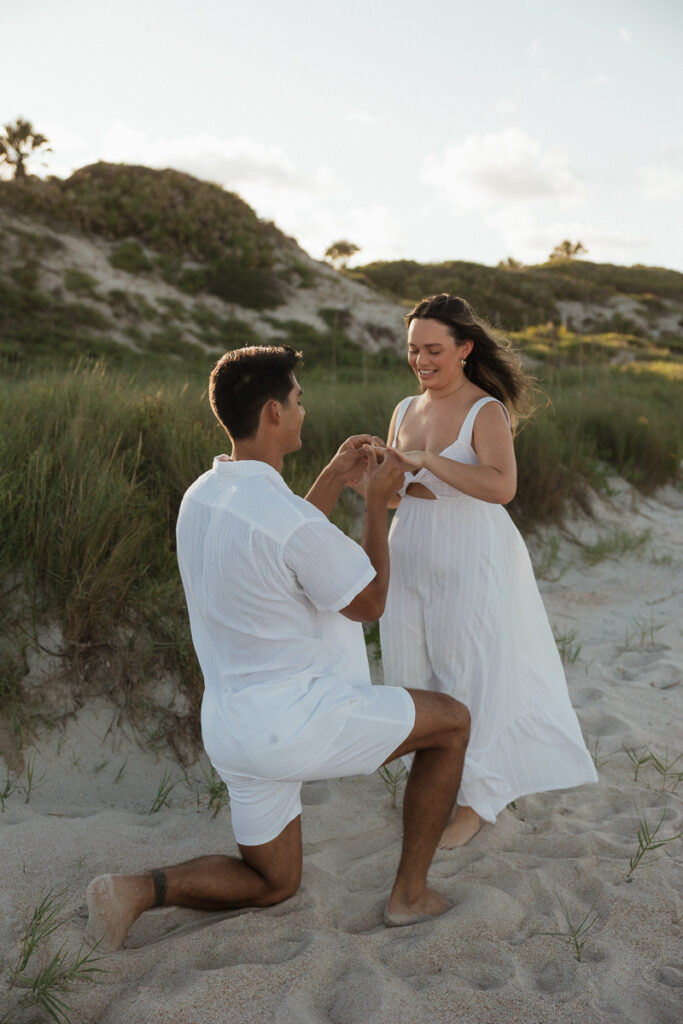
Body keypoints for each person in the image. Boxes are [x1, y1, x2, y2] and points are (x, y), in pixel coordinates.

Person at [86, 344, 470, 951]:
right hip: (297, 723)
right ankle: (410, 895)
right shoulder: (284, 519)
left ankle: (133, 891)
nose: (302, 410)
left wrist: (333, 477)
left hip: (231, 728)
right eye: (297, 400)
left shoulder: (203, 495)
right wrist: (375, 503)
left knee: (274, 881)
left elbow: (286, 544)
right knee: (451, 722)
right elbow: (369, 601)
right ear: (273, 412)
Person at [378, 294, 597, 848]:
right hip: (410, 551)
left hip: (470, 551)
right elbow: (396, 498)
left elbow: (502, 487)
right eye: (413, 349)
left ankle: (476, 799)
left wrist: (429, 460)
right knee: (413, 669)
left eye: (434, 350)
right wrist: (370, 478)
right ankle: (435, 781)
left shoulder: (485, 411)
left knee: (468, 671)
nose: (421, 360)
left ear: (464, 348)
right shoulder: (404, 410)